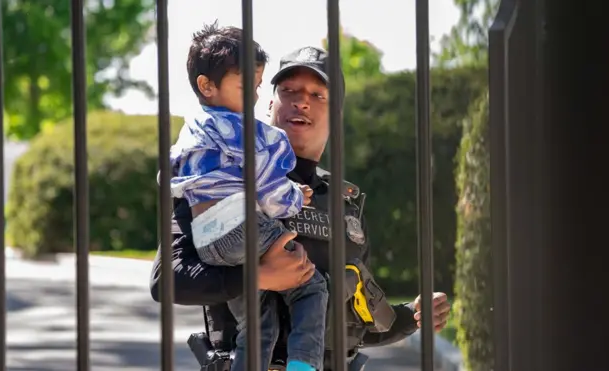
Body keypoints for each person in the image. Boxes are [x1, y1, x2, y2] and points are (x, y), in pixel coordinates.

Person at [149, 44, 452, 370]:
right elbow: (167, 281)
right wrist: (258, 278)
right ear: (269, 103)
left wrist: (411, 316)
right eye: (289, 90)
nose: (302, 101)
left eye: (318, 95)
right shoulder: (221, 177)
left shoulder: (345, 204)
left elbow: (348, 326)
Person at [166, 22, 327, 371]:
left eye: (318, 95)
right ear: (206, 85)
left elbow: (172, 172)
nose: (252, 97)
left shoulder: (192, 128)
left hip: (209, 241)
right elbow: (269, 192)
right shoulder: (253, 135)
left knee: (257, 323)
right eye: (247, 87)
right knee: (311, 288)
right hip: (239, 227)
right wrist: (295, 197)